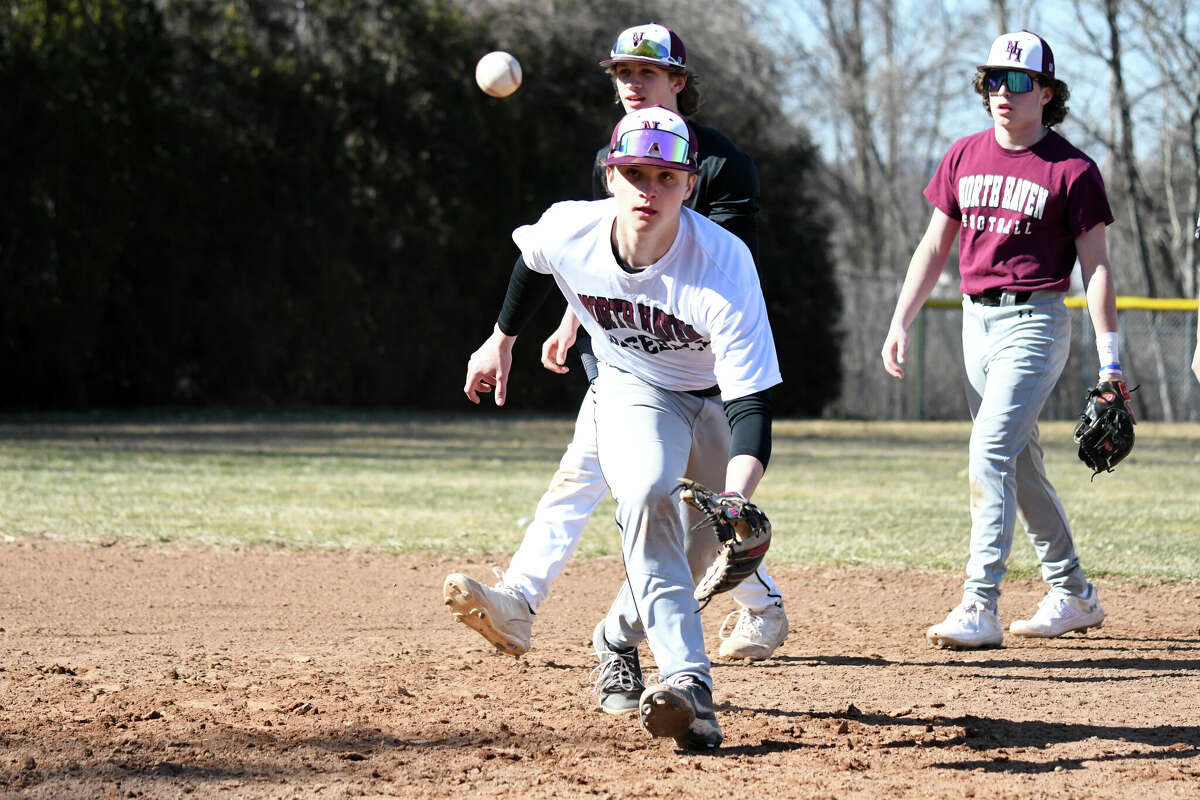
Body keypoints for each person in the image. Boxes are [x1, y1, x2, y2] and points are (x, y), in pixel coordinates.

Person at [444, 22, 787, 679]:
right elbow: (585, 254)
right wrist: (559, 323)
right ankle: (523, 600)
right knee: (595, 476)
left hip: (702, 364)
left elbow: (706, 269)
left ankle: (759, 602)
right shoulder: (615, 153)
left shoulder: (719, 165)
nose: (632, 84)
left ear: (680, 84)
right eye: (622, 74)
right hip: (627, 358)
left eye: (647, 73)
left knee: (697, 505)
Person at [881, 30, 1122, 649]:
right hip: (973, 323)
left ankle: (979, 603)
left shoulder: (1072, 170)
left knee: (988, 452)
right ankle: (1072, 592)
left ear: (1046, 92)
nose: (1003, 93)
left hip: (1036, 323)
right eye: (993, 80)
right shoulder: (963, 154)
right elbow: (934, 245)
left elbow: (1095, 267)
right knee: (1018, 460)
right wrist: (899, 319)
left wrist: (1110, 361)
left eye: (1018, 81)